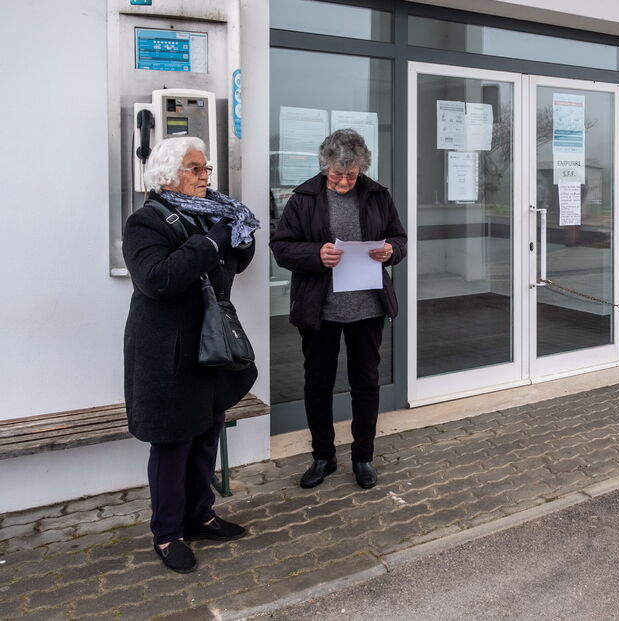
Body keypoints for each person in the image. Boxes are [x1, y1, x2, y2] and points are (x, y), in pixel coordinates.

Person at [122, 136, 260, 573]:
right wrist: (214, 241)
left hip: (209, 346)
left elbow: (232, 265)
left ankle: (200, 515)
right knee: (172, 442)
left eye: (206, 169)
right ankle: (166, 534)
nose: (205, 176)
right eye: (196, 169)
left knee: (206, 433)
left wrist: (237, 237)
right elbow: (158, 279)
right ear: (169, 175)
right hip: (168, 353)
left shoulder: (210, 215)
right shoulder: (146, 221)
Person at [270, 129, 406, 490]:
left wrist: (391, 250)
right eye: (337, 174)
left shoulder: (377, 195)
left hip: (367, 307)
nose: (345, 181)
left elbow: (399, 238)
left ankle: (363, 457)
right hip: (320, 308)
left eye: (352, 174)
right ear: (325, 166)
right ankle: (323, 456)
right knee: (318, 383)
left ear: (362, 168)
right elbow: (281, 247)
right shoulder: (304, 197)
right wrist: (316, 254)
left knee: (366, 382)